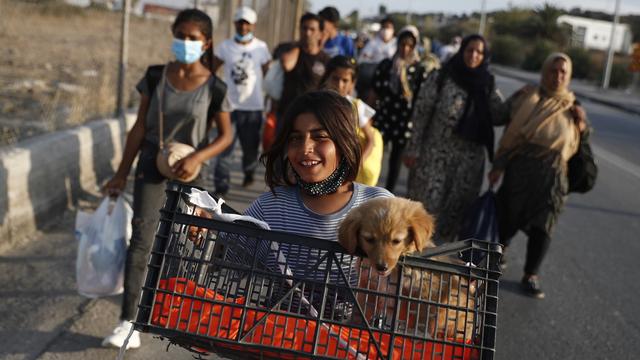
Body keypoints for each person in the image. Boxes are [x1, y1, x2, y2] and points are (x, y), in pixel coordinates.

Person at [101, 9, 233, 349]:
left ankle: (180, 312)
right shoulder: (157, 76)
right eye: (180, 36)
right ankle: (128, 320)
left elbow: (225, 135)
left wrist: (197, 157)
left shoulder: (215, 87)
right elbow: (139, 127)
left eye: (193, 38)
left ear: (206, 43)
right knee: (142, 238)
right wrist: (119, 174)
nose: (185, 43)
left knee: (191, 243)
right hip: (151, 161)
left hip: (190, 168)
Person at [244, 90, 391, 289]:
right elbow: (227, 254)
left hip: (353, 321)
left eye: (320, 137)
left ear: (344, 142)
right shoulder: (270, 207)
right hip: (277, 319)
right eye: (295, 138)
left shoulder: (381, 206)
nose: (305, 148)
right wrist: (201, 233)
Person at [488, 53, 587, 299]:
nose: (558, 76)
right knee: (507, 217)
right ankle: (500, 253)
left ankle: (531, 274)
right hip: (519, 172)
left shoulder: (574, 108)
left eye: (563, 72)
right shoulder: (527, 97)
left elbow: (580, 145)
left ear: (569, 75)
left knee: (545, 226)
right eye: (553, 71)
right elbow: (500, 117)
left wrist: (582, 126)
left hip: (553, 179)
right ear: (544, 72)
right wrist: (490, 88)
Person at [403, 34, 505, 244]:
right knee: (424, 212)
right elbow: (421, 113)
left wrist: (525, 98)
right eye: (469, 50)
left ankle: (441, 266)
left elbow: (499, 115)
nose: (473, 55)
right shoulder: (441, 77)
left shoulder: (487, 84)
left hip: (468, 165)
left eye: (479, 52)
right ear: (462, 51)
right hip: (434, 158)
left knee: (454, 216)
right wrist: (413, 148)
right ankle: (416, 260)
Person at [212, 6, 271, 195]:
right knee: (225, 148)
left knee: (249, 148)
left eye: (247, 23)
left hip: (253, 107)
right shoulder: (225, 47)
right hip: (228, 107)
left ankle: (249, 171)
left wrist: (269, 100)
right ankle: (221, 185)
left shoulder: (261, 48)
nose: (243, 27)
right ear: (235, 23)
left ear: (253, 25)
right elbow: (210, 70)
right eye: (240, 22)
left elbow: (268, 74)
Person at [371, 25, 428, 193]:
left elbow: (421, 99)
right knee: (376, 156)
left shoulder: (419, 70)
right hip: (385, 117)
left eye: (409, 46)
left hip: (404, 121)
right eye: (402, 44)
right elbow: (375, 91)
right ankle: (370, 192)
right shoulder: (387, 65)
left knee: (395, 160)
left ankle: (388, 194)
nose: (405, 49)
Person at [321, 55, 383, 186]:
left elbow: (370, 140)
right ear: (327, 77)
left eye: (345, 80)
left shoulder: (355, 107)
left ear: (352, 83)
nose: (339, 85)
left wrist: (359, 164)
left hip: (346, 171)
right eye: (335, 78)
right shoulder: (318, 104)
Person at [276, 12, 330, 133]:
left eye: (312, 29)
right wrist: (298, 46)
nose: (307, 33)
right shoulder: (289, 48)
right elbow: (287, 65)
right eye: (304, 28)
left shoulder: (325, 60)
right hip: (286, 114)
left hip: (312, 118)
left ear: (320, 34)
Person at [357, 17, 396, 101]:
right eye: (384, 27)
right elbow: (363, 59)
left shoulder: (396, 44)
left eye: (389, 28)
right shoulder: (373, 42)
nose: (386, 30)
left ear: (393, 30)